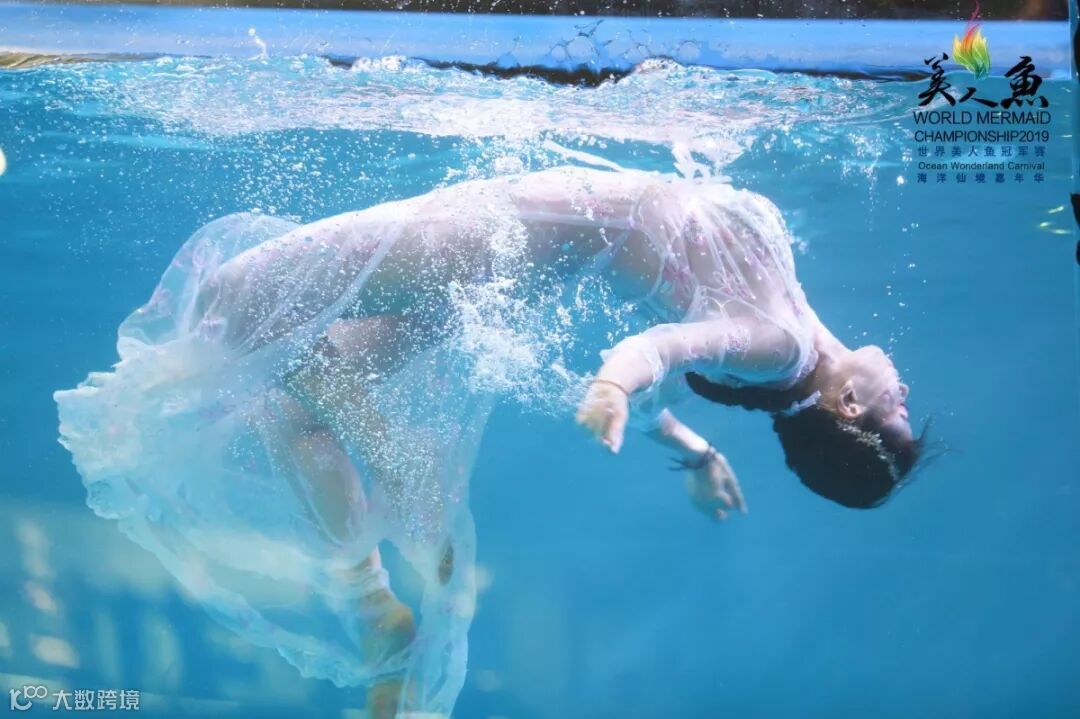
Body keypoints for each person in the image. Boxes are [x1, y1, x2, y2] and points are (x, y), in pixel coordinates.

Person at [54, 164, 923, 718]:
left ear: (848, 404)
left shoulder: (778, 344)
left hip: (482, 238)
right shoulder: (790, 349)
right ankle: (374, 615)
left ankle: (389, 486)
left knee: (239, 298)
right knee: (287, 399)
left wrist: (612, 386)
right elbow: (690, 368)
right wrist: (695, 449)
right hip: (500, 263)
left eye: (898, 414)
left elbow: (664, 348)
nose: (906, 395)